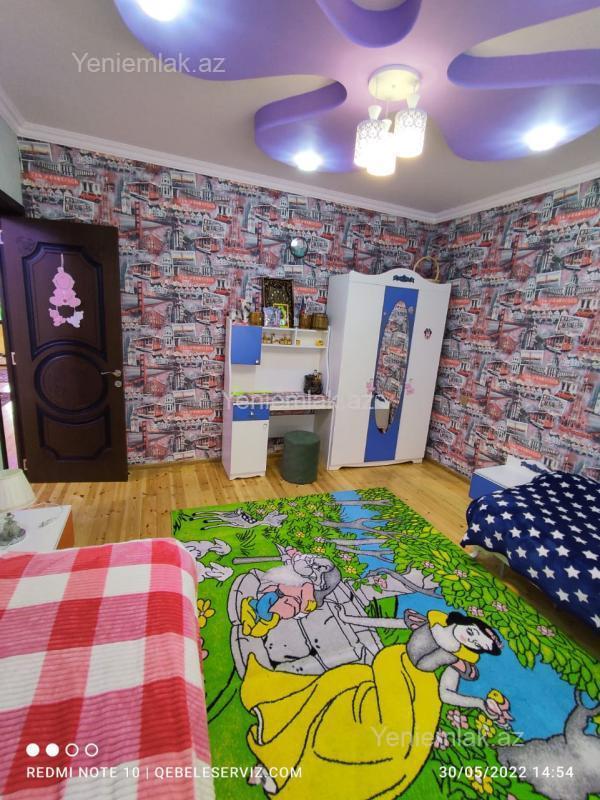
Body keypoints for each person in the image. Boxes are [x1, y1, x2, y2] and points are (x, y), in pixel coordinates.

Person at [240, 608, 502, 798]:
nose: (470, 639)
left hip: (417, 695)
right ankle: (277, 758)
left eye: (477, 644)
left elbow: (445, 694)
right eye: (472, 632)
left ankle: (298, 781)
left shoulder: (456, 659)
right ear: (467, 622)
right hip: (389, 669)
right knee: (331, 688)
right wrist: (350, 618)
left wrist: (479, 704)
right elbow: (391, 623)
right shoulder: (431, 622)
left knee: (389, 751)